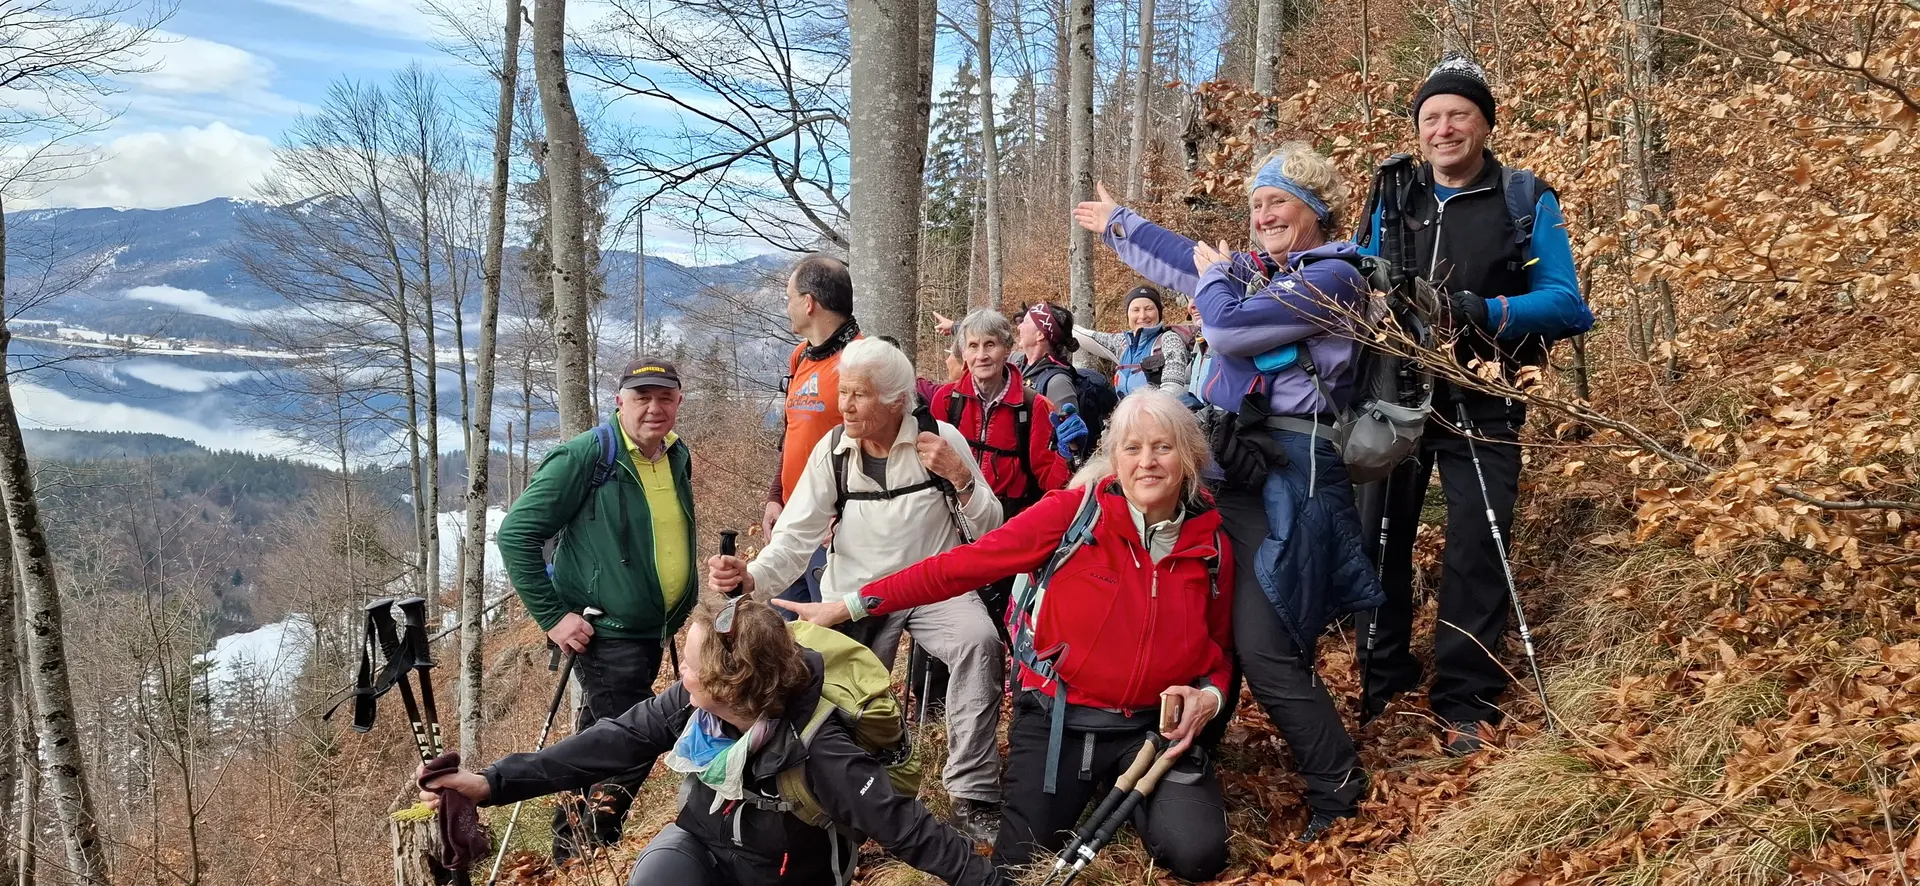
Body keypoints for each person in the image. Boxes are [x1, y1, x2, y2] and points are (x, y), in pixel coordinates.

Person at [779, 389, 1232, 881]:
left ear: (1188, 457)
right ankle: (1098, 789)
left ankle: (1130, 796)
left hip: (1151, 727)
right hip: (1062, 718)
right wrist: (852, 603)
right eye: (1132, 448)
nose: (1147, 462)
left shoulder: (1211, 544)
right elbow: (962, 566)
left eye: (1162, 447)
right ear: (1114, 459)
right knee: (1019, 867)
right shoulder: (1075, 514)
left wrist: (1210, 693)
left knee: (1199, 854)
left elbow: (1219, 648)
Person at [1074, 142, 1384, 842]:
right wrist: (1122, 224)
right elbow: (1191, 262)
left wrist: (1215, 279)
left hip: (1293, 474)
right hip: (1240, 468)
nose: (1263, 214)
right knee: (1210, 622)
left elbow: (1226, 324)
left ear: (1317, 209)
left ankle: (1339, 788)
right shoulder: (1264, 272)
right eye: (1255, 204)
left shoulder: (1332, 277)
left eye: (1278, 200)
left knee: (1266, 644)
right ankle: (1195, 760)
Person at [418, 596, 1007, 886]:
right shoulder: (695, 706)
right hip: (699, 846)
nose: (681, 674)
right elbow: (613, 741)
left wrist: (991, 881)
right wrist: (493, 783)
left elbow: (907, 828)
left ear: (733, 684)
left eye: (691, 665)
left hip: (787, 876)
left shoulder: (820, 750)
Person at [1354, 56, 1593, 754]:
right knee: (1382, 538)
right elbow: (1356, 276)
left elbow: (1568, 304)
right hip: (1396, 395)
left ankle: (1465, 697)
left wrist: (1481, 308)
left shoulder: (1523, 198)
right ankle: (1382, 674)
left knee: (1476, 547)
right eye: (1431, 116)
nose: (1444, 127)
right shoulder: (1394, 194)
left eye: (1458, 113)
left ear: (1485, 123)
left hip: (1484, 396)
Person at [706, 338, 1009, 842]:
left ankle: (972, 793)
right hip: (853, 594)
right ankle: (845, 798)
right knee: (830, 690)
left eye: (859, 395)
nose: (844, 404)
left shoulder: (942, 440)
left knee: (980, 644)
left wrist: (961, 478)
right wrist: (752, 576)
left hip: (937, 588)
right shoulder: (832, 450)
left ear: (896, 402)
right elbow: (796, 537)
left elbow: (991, 527)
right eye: (843, 392)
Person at [494, 357, 698, 861]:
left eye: (665, 397)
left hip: (653, 627)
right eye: (642, 397)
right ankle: (589, 848)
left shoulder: (674, 453)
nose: (655, 408)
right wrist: (553, 616)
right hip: (606, 630)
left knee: (600, 736)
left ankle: (571, 846)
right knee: (632, 742)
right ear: (620, 401)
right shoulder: (586, 456)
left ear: (678, 402)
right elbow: (515, 534)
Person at [935, 308, 1074, 631]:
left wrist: (1066, 454)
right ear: (963, 352)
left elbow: (1051, 482)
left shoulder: (1032, 406)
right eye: (973, 346)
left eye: (990, 345)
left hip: (1009, 536)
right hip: (952, 532)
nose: (981, 355)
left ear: (1007, 348)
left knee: (998, 630)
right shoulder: (946, 401)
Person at [766, 255, 860, 618]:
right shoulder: (800, 357)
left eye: (789, 297)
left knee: (826, 646)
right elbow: (793, 433)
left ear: (808, 303)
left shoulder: (862, 361)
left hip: (834, 536)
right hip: (792, 525)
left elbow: (880, 449)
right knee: (783, 639)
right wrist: (776, 496)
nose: (787, 306)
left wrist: (850, 515)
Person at [1072, 285, 1191, 398]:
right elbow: (1086, 336)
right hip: (1126, 416)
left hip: (1158, 416)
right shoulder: (1123, 343)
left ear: (1159, 313)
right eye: (1135, 310)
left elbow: (1173, 389)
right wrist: (1059, 321)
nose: (1142, 316)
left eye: (1148, 309)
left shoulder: (1170, 340)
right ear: (1127, 315)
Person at [1012, 302, 1092, 460]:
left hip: (1040, 475)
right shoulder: (1017, 363)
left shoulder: (1058, 382)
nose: (1019, 327)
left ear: (1040, 334)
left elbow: (1070, 445)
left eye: (1025, 322)